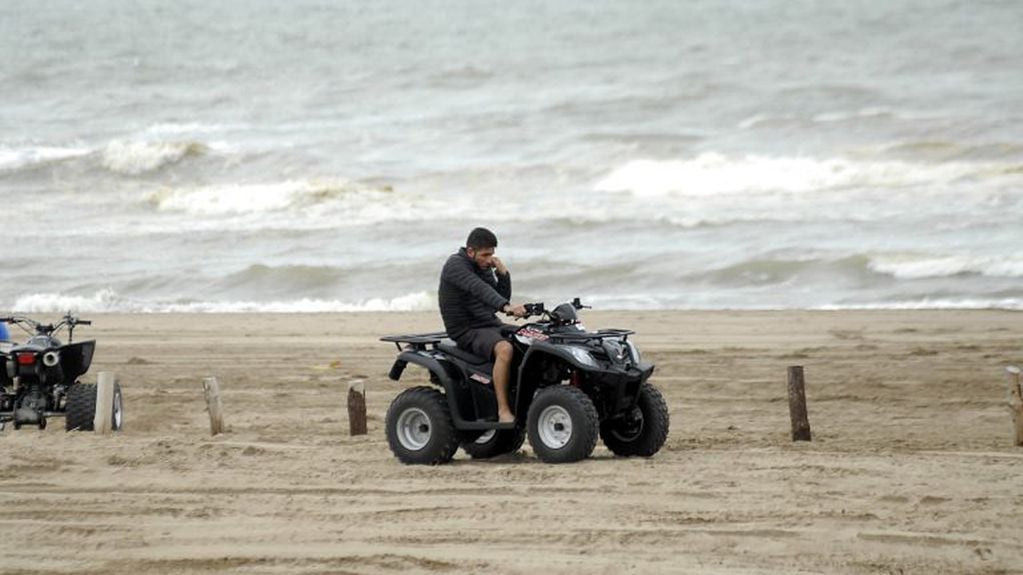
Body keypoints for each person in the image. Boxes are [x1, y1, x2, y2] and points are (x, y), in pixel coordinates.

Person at [438, 227, 527, 423]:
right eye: (485, 255)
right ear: (471, 251)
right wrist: (507, 307)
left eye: (492, 254)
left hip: (489, 323)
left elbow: (498, 298)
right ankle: (503, 410)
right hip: (466, 329)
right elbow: (479, 290)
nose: (489, 260)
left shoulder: (484, 267)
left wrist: (504, 274)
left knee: (532, 337)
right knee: (504, 349)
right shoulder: (456, 265)